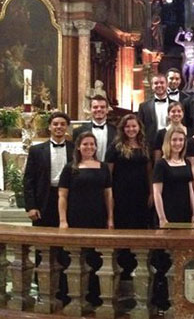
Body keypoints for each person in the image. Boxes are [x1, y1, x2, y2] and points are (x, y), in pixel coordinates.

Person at [58, 132, 113, 306]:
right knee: (73, 257)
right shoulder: (70, 168)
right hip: (76, 217)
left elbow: (108, 194)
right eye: (85, 144)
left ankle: (95, 296)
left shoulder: (103, 167)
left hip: (97, 217)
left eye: (92, 144)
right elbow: (62, 196)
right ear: (79, 147)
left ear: (96, 147)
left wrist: (110, 218)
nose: (89, 147)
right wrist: (63, 220)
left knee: (96, 258)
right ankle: (71, 295)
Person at [24, 112, 74, 227]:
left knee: (67, 237)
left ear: (67, 127)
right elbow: (28, 180)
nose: (59, 127)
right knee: (42, 238)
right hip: (44, 198)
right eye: (55, 124)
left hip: (68, 198)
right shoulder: (36, 150)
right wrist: (31, 207)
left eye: (62, 124)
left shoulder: (75, 149)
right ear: (49, 127)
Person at [106, 114, 152, 229]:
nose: (131, 129)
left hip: (141, 192)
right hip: (121, 192)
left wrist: (151, 192)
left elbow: (149, 171)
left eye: (134, 126)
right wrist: (110, 195)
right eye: (127, 126)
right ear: (122, 128)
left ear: (139, 127)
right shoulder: (115, 147)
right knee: (122, 225)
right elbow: (109, 174)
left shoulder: (145, 145)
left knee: (140, 225)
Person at [153, 126, 194, 226]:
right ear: (168, 141)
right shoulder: (161, 164)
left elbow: (190, 190)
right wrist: (162, 218)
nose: (178, 143)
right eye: (174, 140)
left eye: (181, 140)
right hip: (168, 212)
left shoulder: (187, 162)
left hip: (185, 212)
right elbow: (157, 193)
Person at [73, 95, 116, 161]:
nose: (99, 109)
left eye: (102, 107)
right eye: (95, 107)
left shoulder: (116, 131)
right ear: (90, 110)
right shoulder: (78, 131)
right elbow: (75, 155)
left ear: (107, 110)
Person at [138, 74, 169, 148]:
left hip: (171, 143)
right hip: (151, 145)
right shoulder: (143, 106)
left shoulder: (175, 105)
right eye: (156, 83)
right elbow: (140, 127)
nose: (159, 85)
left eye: (162, 82)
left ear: (167, 85)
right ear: (152, 86)